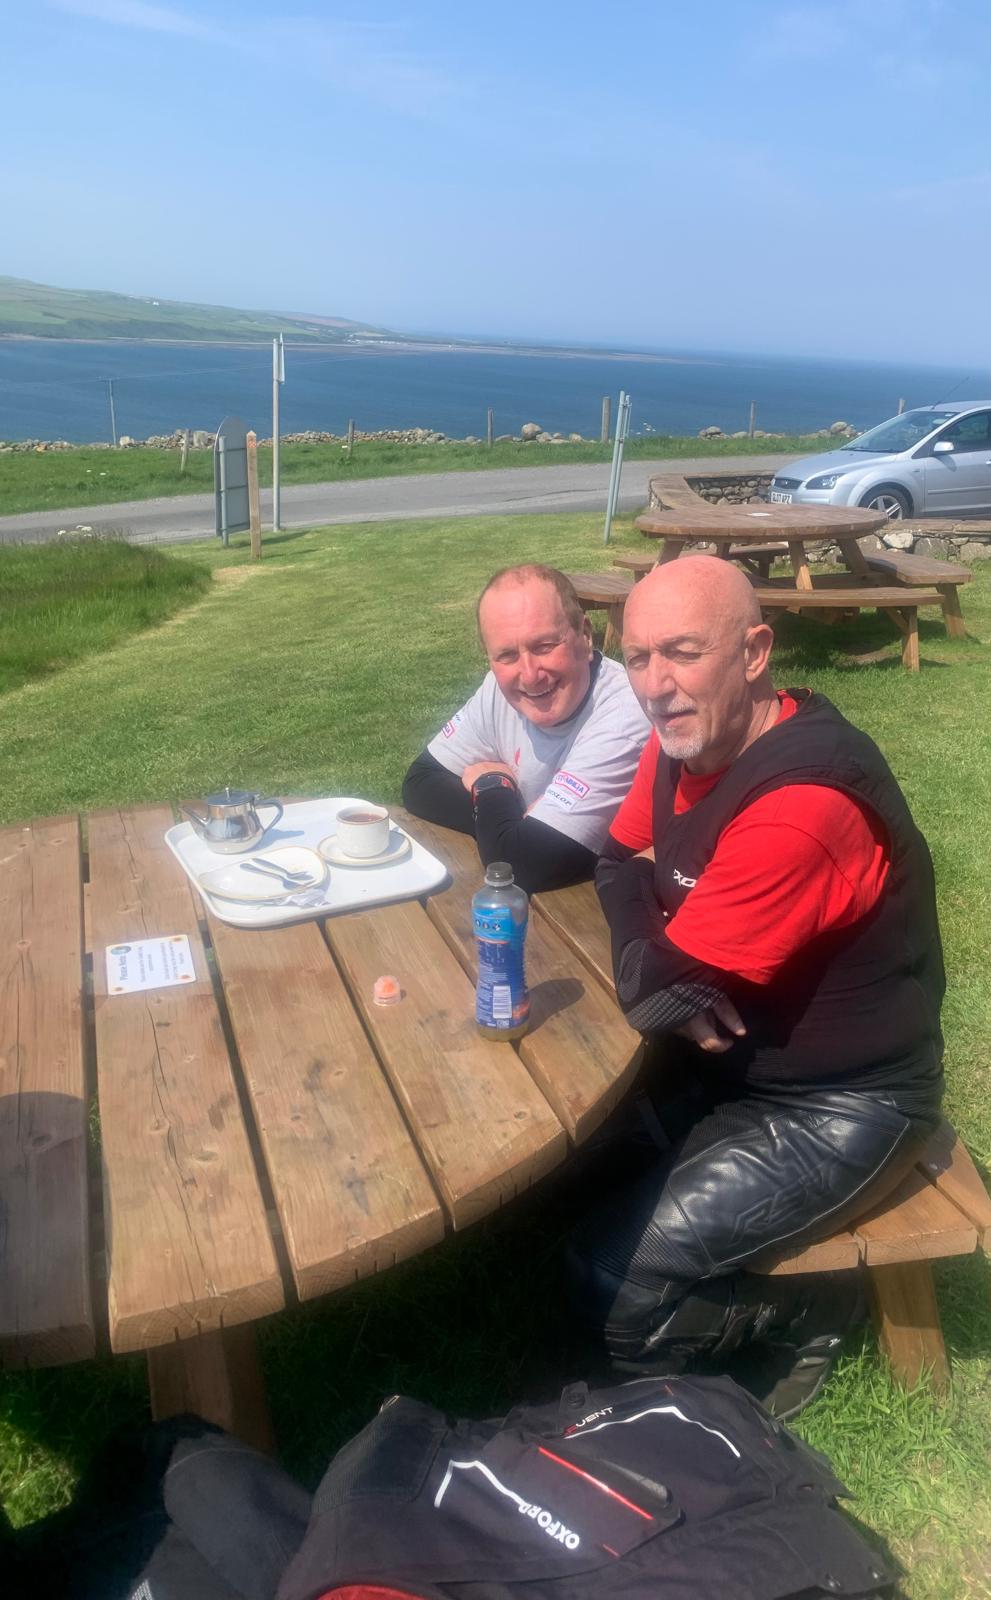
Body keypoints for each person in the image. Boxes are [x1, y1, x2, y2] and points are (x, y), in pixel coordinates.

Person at [568, 554, 945, 1418]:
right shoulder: (685, 739)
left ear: (753, 652)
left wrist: (657, 962)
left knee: (606, 1280)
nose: (655, 685)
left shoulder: (801, 802)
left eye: (683, 652)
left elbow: (655, 996)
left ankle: (813, 1310)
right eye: (637, 657)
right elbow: (615, 861)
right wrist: (656, 948)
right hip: (735, 1070)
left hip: (841, 1104)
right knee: (560, 1175)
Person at [402, 564, 651, 894]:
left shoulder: (625, 715)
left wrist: (492, 785)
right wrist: (509, 823)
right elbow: (420, 784)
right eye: (507, 655)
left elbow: (520, 864)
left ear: (585, 635)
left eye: (544, 646)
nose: (530, 675)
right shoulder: (498, 690)